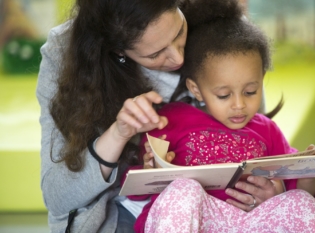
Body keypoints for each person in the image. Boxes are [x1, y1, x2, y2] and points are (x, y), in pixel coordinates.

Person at [36, 0, 269, 232]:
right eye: (155, 54)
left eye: (179, 31)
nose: (178, 59)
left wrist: (269, 191)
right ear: (118, 51)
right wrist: (118, 134)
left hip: (221, 208)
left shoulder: (223, 27)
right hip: (119, 215)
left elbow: (256, 139)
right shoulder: (64, 52)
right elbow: (59, 198)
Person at [121, 0, 315, 232]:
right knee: (184, 189)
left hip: (252, 223)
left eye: (250, 92)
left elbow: (302, 194)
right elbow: (134, 192)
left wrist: (309, 168)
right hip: (198, 222)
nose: (239, 105)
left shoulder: (266, 129)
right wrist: (148, 172)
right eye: (224, 95)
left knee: (301, 203)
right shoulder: (169, 120)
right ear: (196, 89)